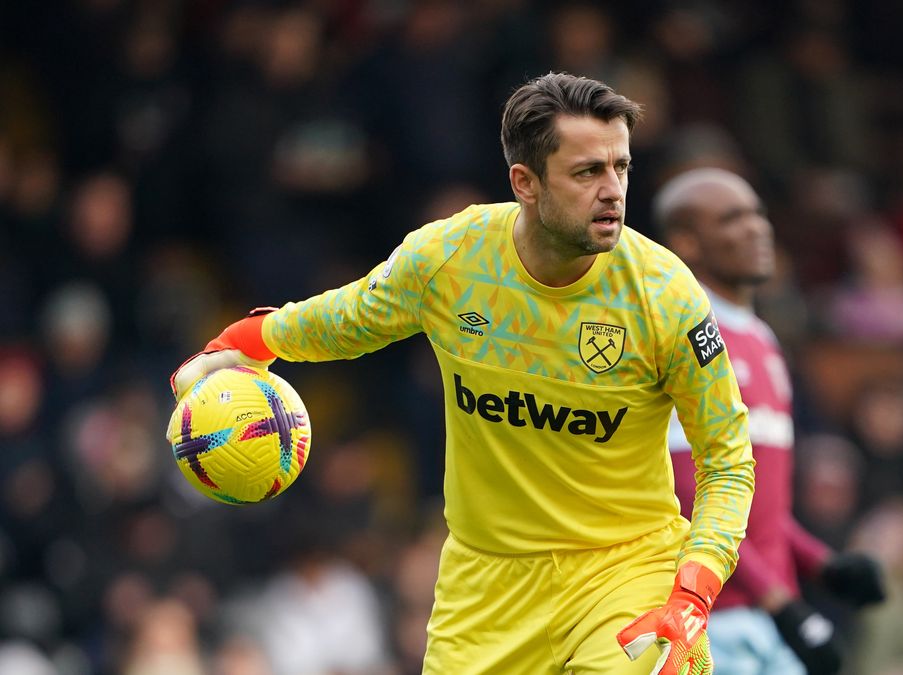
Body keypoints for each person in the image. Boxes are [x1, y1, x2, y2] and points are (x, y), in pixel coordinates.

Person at [170, 73, 755, 675]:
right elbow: (349, 319)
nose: (613, 192)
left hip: (625, 573)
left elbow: (728, 459)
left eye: (621, 167)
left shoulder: (666, 296)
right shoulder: (452, 259)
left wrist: (694, 589)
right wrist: (245, 341)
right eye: (587, 172)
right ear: (524, 183)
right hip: (486, 589)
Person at [656, 167, 886, 674]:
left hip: (761, 613)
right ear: (686, 241)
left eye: (757, 213)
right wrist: (782, 604)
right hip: (711, 619)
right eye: (731, 219)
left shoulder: (762, 339)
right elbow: (691, 494)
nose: (756, 228)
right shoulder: (681, 334)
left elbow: (752, 502)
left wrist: (821, 565)